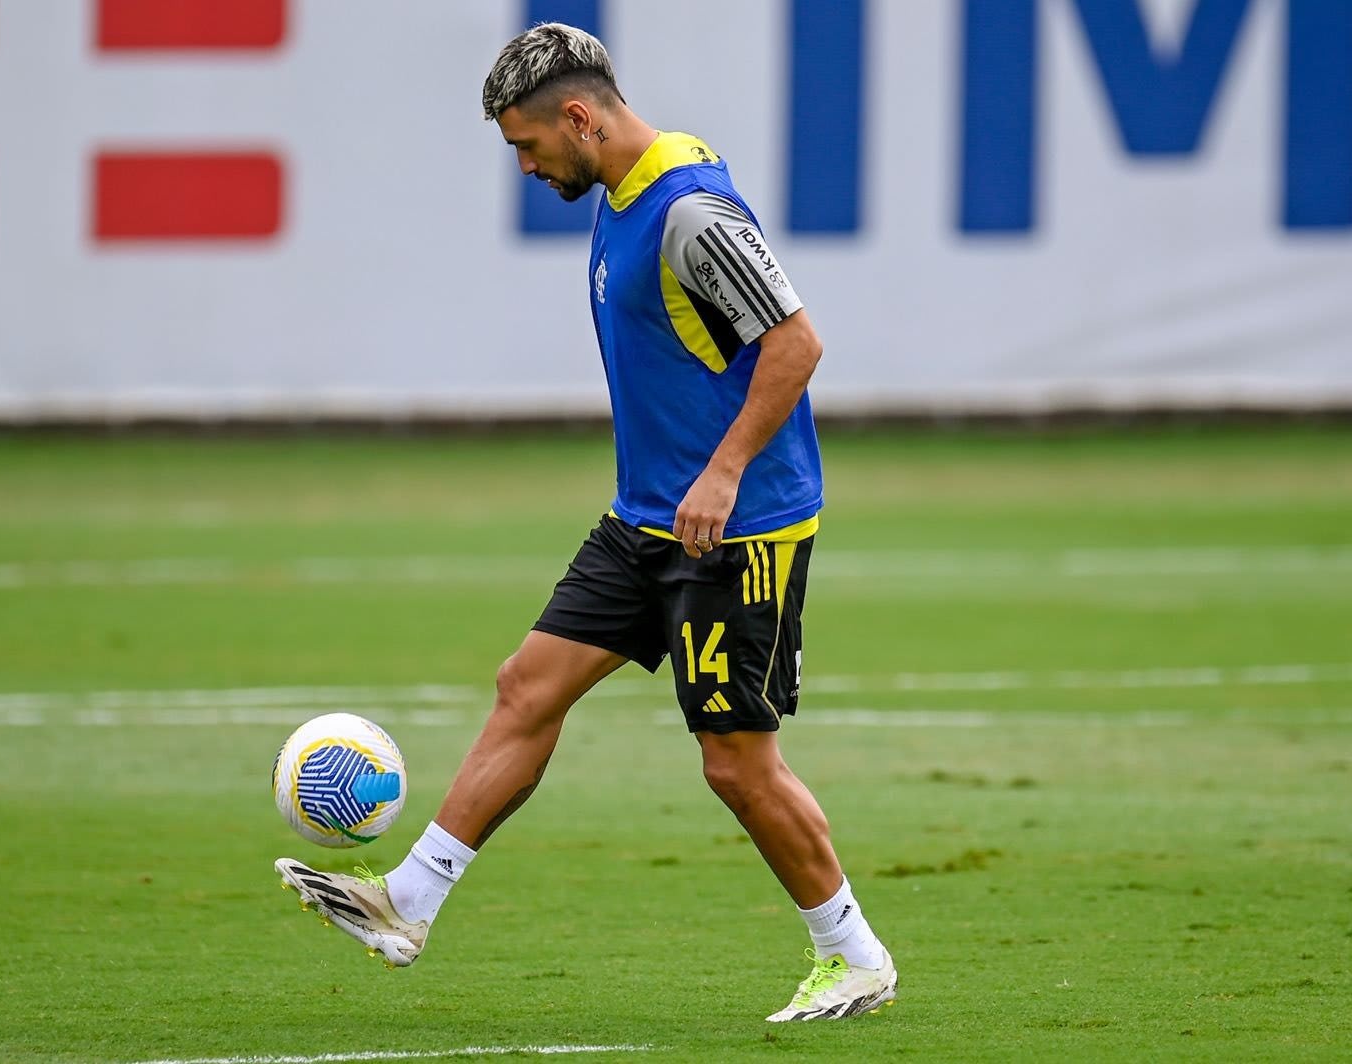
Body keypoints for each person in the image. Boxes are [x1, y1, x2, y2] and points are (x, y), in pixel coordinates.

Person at [276, 22, 895, 1023]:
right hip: (647, 513)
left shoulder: (690, 212)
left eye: (528, 145)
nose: (525, 166)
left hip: (734, 528)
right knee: (528, 683)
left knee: (735, 762)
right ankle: (407, 902)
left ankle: (854, 953)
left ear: (579, 115)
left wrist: (723, 473)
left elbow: (796, 344)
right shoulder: (619, 192)